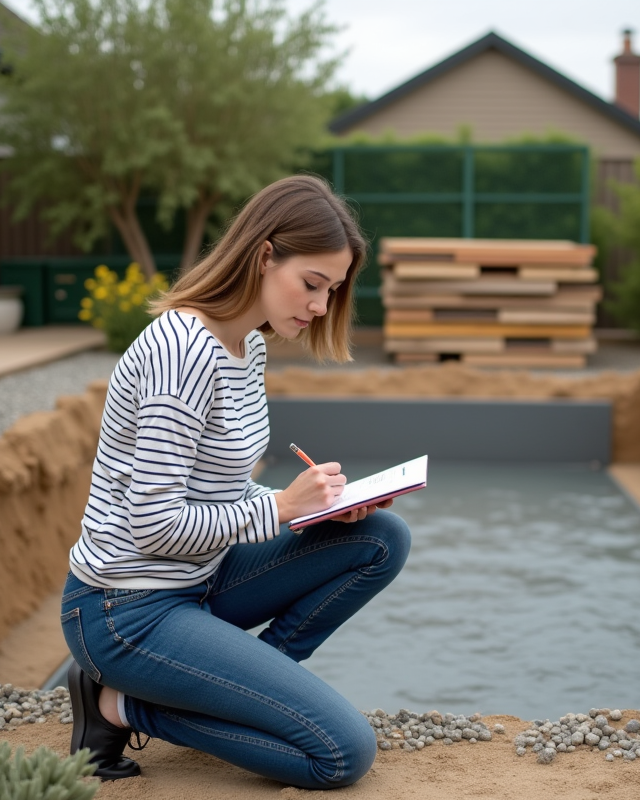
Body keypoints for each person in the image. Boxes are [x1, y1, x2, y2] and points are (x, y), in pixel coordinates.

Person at [60, 175, 411, 790]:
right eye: (312, 284)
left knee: (381, 537)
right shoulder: (182, 352)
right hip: (125, 608)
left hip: (199, 577)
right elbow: (154, 521)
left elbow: (218, 491)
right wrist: (279, 506)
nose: (322, 307)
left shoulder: (246, 345)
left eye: (331, 290)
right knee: (341, 754)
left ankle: (231, 692)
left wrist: (315, 510)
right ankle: (117, 703)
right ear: (264, 254)